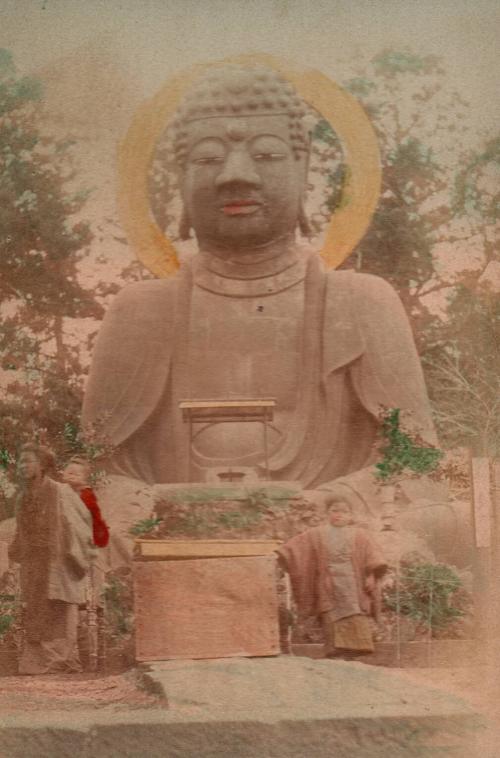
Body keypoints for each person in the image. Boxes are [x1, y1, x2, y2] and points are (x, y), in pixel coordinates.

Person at [82, 64, 435, 496]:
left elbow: (418, 467)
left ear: (303, 171)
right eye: (208, 158)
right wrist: (170, 506)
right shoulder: (140, 310)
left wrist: (321, 505)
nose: (236, 175)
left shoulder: (361, 300)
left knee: (442, 519)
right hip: (167, 526)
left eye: (266, 155)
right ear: (182, 180)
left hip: (325, 530)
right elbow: (92, 475)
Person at [8, 445, 93, 674]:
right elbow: (20, 531)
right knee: (36, 609)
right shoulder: (22, 497)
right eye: (20, 462)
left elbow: (82, 521)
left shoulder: (61, 491)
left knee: (58, 607)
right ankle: (37, 663)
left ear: (42, 465)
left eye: (28, 461)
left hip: (60, 559)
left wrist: (71, 548)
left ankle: (60, 660)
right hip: (33, 561)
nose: (22, 466)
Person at [277, 491, 387, 658]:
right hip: (329, 583)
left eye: (344, 511)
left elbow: (372, 557)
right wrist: (279, 555)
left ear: (351, 515)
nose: (339, 515)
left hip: (353, 584)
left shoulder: (360, 535)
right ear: (327, 513)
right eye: (334, 510)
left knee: (355, 614)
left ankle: (355, 653)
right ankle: (335, 653)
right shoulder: (317, 533)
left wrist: (371, 576)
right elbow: (293, 548)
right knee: (331, 615)